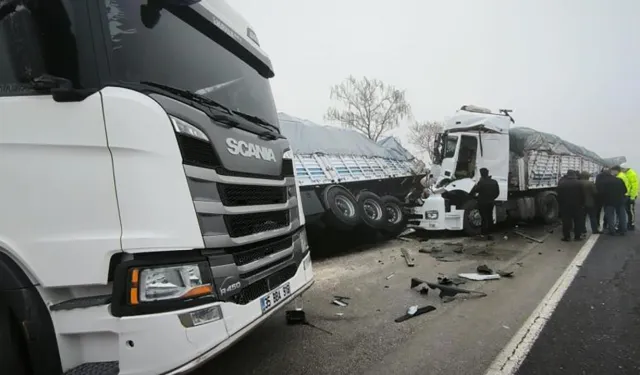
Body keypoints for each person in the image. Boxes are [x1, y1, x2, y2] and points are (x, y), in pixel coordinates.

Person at [469, 168, 500, 240]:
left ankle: (483, 234)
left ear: (481, 174)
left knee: (483, 218)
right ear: (488, 173)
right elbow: (497, 193)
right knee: (490, 217)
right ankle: (490, 234)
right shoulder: (494, 182)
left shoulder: (481, 182)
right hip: (491, 202)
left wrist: (475, 197)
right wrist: (492, 198)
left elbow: (473, 191)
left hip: (482, 203)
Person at [557, 170, 585, 241]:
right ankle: (577, 236)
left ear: (567, 175)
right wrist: (582, 204)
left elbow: (559, 195)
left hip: (565, 206)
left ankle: (567, 237)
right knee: (578, 221)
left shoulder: (562, 183)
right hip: (577, 205)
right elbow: (583, 195)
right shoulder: (580, 183)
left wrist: (561, 204)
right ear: (574, 175)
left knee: (566, 221)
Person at [601, 167, 628, 235]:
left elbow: (602, 192)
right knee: (622, 215)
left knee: (610, 216)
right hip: (620, 200)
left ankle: (612, 230)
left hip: (609, 201)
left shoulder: (605, 182)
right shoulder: (620, 180)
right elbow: (625, 190)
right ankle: (623, 229)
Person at [620, 163, 637, 230]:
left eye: (622, 169)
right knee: (627, 210)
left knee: (630, 210)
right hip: (626, 195)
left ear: (626, 168)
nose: (622, 170)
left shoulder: (632, 174)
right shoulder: (625, 173)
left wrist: (632, 197)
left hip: (631, 196)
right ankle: (629, 223)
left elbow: (635, 186)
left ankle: (631, 224)